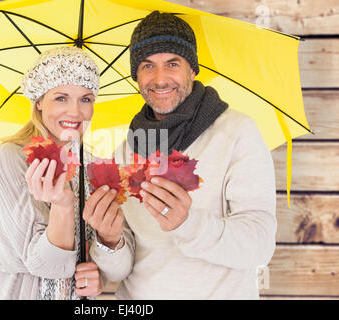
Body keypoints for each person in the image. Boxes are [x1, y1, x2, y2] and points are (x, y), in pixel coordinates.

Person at [83, 11, 277, 299]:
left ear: (192, 70)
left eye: (172, 63)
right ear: (136, 75)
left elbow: (259, 246)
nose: (160, 79)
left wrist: (188, 224)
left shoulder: (238, 133)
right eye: (148, 66)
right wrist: (110, 241)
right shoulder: (127, 148)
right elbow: (117, 271)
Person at [0, 46, 103, 299]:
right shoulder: (11, 157)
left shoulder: (93, 166)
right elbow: (46, 265)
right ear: (38, 102)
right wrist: (63, 204)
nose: (75, 111)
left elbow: (113, 260)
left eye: (86, 99)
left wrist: (97, 275)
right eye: (61, 97)